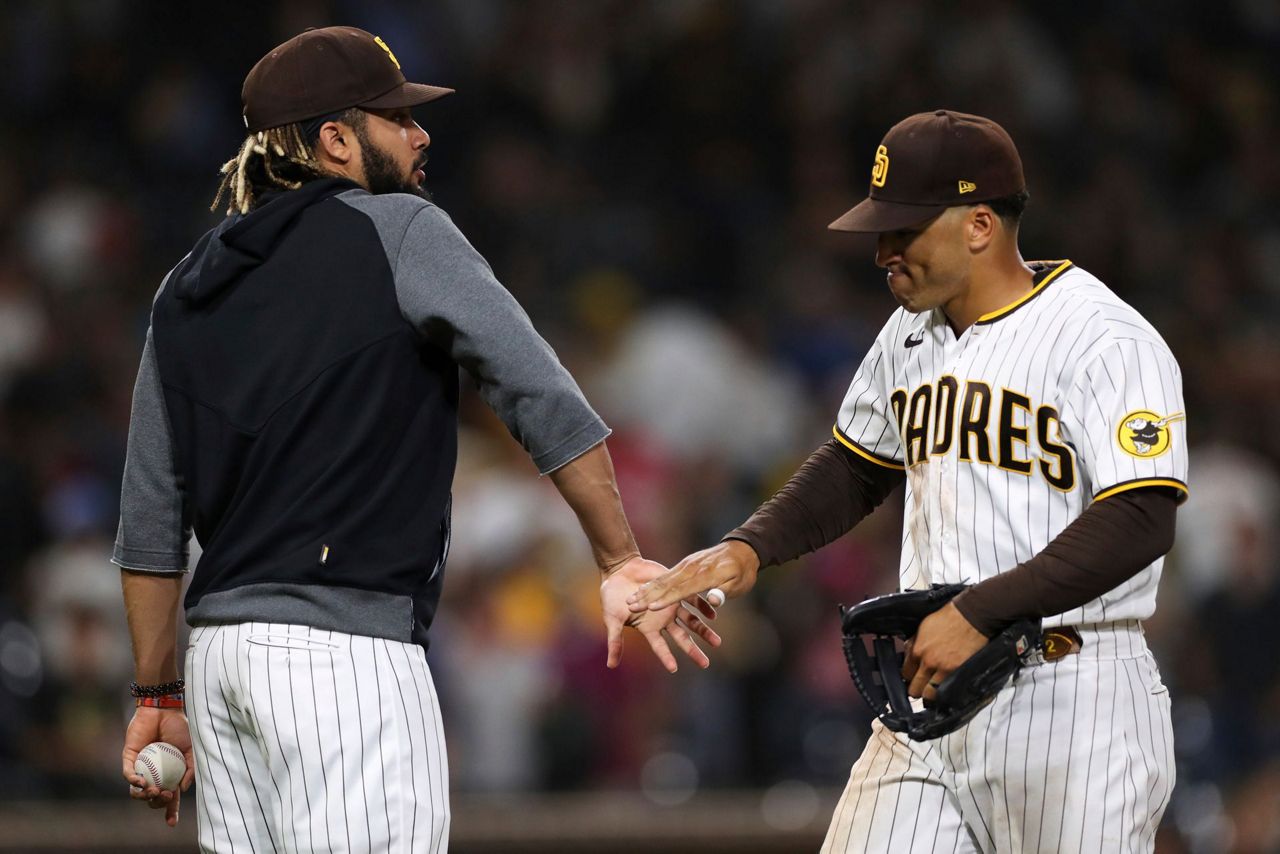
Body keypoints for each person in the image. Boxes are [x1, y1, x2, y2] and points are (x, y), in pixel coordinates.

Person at [114, 26, 718, 851]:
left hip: (221, 665)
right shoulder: (399, 227)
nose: (419, 132)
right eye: (394, 117)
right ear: (336, 140)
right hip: (343, 658)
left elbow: (150, 515)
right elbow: (540, 392)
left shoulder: (185, 282)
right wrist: (617, 558)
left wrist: (158, 694)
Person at [630, 110, 1187, 852]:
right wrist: (746, 550)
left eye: (904, 232)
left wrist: (983, 611)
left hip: (1073, 697)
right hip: (933, 700)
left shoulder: (1104, 339)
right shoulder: (909, 332)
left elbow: (1141, 518)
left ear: (980, 225)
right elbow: (857, 464)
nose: (883, 252)